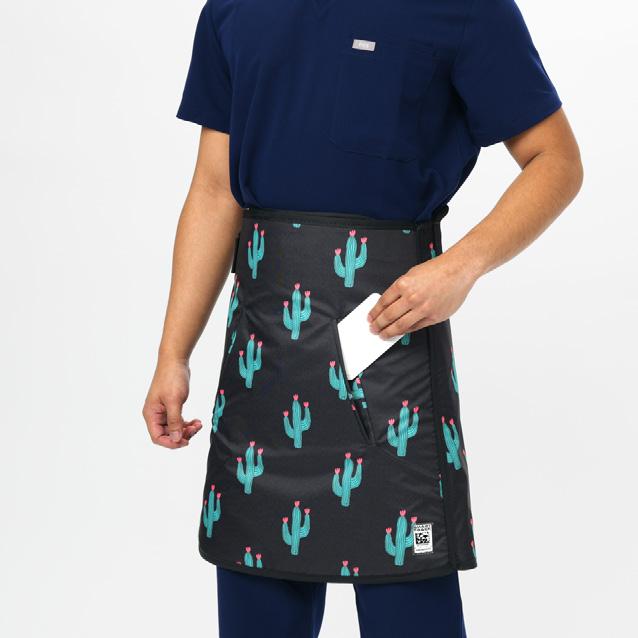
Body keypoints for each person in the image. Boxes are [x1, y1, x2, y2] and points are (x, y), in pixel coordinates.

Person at [142, 0, 582, 635]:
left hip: (390, 355)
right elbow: (215, 189)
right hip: (263, 373)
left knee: (414, 614)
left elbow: (556, 159)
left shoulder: (465, 9)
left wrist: (460, 268)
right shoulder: (234, 9)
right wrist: (173, 353)